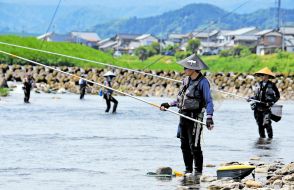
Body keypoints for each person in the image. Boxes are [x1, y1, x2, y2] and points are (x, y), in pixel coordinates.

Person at [160, 54, 214, 176]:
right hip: (183, 116)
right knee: (184, 145)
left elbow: (209, 101)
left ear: (194, 69)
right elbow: (180, 99)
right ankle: (188, 170)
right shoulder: (185, 80)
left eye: (186, 68)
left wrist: (209, 117)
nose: (184, 70)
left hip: (195, 117)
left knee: (194, 145)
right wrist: (168, 104)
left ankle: (198, 172)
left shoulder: (203, 82)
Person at [248, 67, 280, 139]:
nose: (263, 77)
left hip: (266, 108)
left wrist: (271, 102)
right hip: (257, 108)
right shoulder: (258, 84)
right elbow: (255, 96)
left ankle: (270, 140)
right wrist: (250, 98)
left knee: (267, 124)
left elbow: (278, 96)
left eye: (264, 75)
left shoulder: (272, 85)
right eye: (262, 75)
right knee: (260, 125)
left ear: (268, 76)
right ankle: (261, 141)